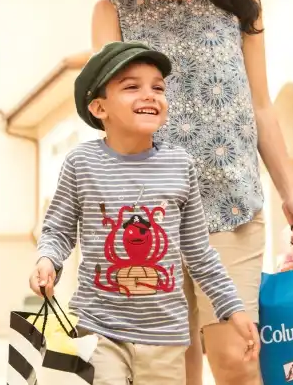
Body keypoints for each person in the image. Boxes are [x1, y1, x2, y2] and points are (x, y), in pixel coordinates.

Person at [77, 0, 293, 385]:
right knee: (166, 371)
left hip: (230, 203)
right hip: (147, 216)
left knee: (235, 358)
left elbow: (261, 107)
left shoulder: (237, 9)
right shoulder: (112, 11)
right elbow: (108, 109)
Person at [30, 41, 260, 385]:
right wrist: (47, 260)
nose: (150, 95)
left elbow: (200, 254)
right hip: (99, 326)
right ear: (99, 107)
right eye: (132, 87)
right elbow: (58, 230)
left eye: (158, 87)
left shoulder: (180, 165)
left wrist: (233, 308)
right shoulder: (82, 164)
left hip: (165, 334)